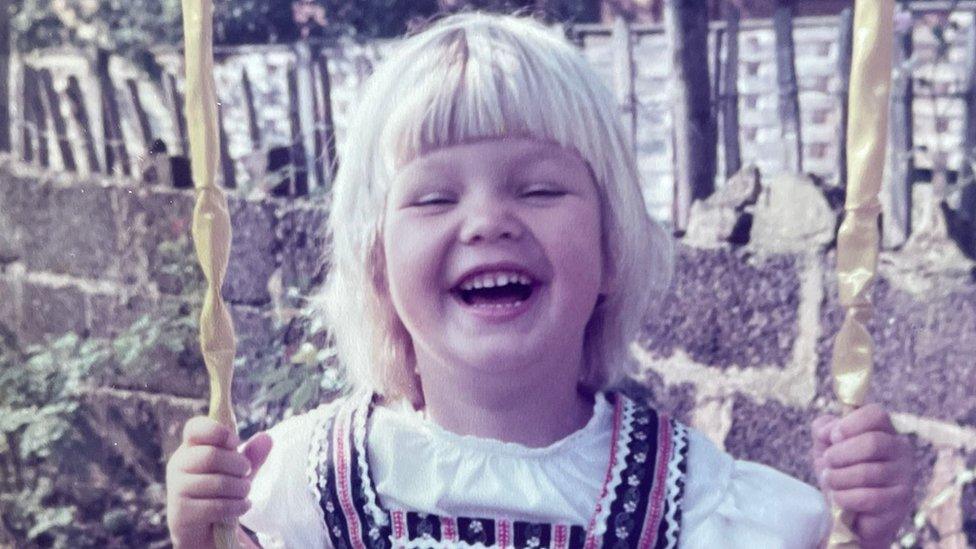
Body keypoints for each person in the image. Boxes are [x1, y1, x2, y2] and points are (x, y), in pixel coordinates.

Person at [165, 12, 913, 549]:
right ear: (378, 268)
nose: (488, 221)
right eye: (434, 197)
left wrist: (861, 530)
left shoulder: (699, 507)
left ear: (611, 248)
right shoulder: (298, 490)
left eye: (539, 189)